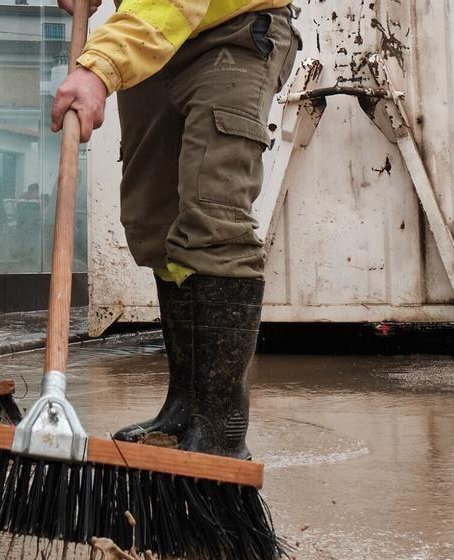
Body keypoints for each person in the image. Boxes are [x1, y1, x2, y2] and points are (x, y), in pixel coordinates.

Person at [51, 0, 299, 459]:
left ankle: (222, 428)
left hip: (231, 28)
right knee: (152, 224)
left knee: (213, 216)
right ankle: (184, 407)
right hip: (153, 38)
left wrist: (99, 65)